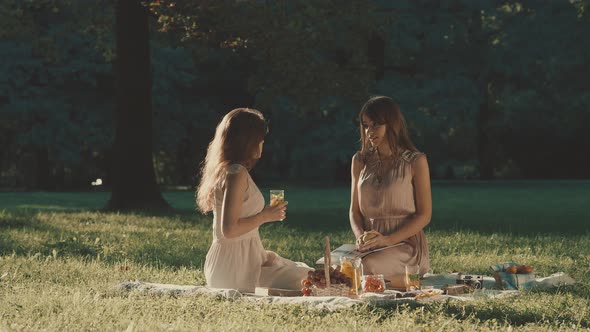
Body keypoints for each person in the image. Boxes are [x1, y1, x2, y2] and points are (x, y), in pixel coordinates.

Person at [197, 108, 311, 293]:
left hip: (242, 260)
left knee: (305, 271)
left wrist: (265, 257)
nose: (262, 144)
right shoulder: (236, 173)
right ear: (247, 141)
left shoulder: (229, 170)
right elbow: (230, 230)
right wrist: (265, 216)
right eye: (260, 139)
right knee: (312, 279)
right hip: (235, 269)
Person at [349, 96, 432, 285]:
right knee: (340, 266)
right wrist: (361, 237)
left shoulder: (415, 162)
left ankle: (406, 277)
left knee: (366, 266)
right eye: (366, 125)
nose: (369, 131)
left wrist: (387, 240)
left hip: (405, 245)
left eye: (376, 124)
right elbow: (354, 211)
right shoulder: (359, 161)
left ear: (392, 124)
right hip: (370, 247)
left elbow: (425, 215)